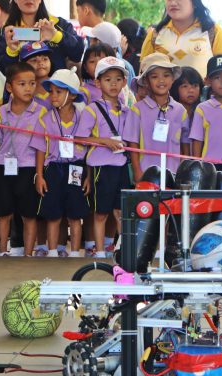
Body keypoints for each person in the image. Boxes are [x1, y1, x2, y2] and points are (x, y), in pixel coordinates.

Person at [77, 57, 131, 258]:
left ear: (124, 82)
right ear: (98, 83)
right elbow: (80, 137)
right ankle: (99, 252)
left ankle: (123, 251)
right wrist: (105, 141)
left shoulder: (126, 110)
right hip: (101, 167)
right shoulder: (92, 109)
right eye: (108, 79)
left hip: (121, 165)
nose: (114, 84)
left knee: (120, 212)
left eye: (118, 79)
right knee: (100, 213)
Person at [0, 62, 47, 256]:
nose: (28, 88)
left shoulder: (41, 112)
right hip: (2, 167)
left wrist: (39, 174)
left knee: (29, 214)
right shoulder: (0, 112)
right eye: (22, 84)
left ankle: (28, 254)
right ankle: (3, 252)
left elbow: (41, 147)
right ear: (9, 87)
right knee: (3, 213)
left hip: (28, 168)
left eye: (32, 83)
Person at [32, 68, 89, 258]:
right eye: (51, 91)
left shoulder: (83, 117)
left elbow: (88, 149)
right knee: (53, 212)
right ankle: (53, 251)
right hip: (54, 168)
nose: (53, 96)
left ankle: (74, 253)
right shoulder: (46, 118)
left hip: (75, 168)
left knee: (75, 212)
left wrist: (88, 175)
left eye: (58, 92)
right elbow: (40, 148)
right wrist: (40, 175)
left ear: (72, 95)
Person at [124, 53, 190, 181]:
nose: (161, 80)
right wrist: (137, 171)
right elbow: (133, 145)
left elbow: (184, 145)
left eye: (166, 75)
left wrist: (183, 172)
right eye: (154, 77)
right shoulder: (137, 110)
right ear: (147, 82)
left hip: (174, 175)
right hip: (146, 174)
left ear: (172, 79)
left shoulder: (180, 110)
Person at [140, 0, 222, 78]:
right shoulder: (155, 34)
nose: (173, 3)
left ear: (195, 3)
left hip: (203, 98)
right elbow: (142, 73)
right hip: (161, 98)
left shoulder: (214, 32)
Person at [0, 0, 84, 75]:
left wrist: (56, 36)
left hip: (56, 92)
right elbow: (2, 70)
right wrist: (11, 52)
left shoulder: (58, 24)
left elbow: (77, 53)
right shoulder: (7, 31)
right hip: (21, 94)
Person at [19, 42, 53, 109]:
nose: (41, 63)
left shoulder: (59, 85)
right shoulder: (20, 90)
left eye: (45, 59)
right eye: (34, 60)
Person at [170, 66, 203, 130]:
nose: (191, 90)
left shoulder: (203, 111)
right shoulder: (170, 111)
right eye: (185, 86)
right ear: (175, 88)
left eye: (195, 86)